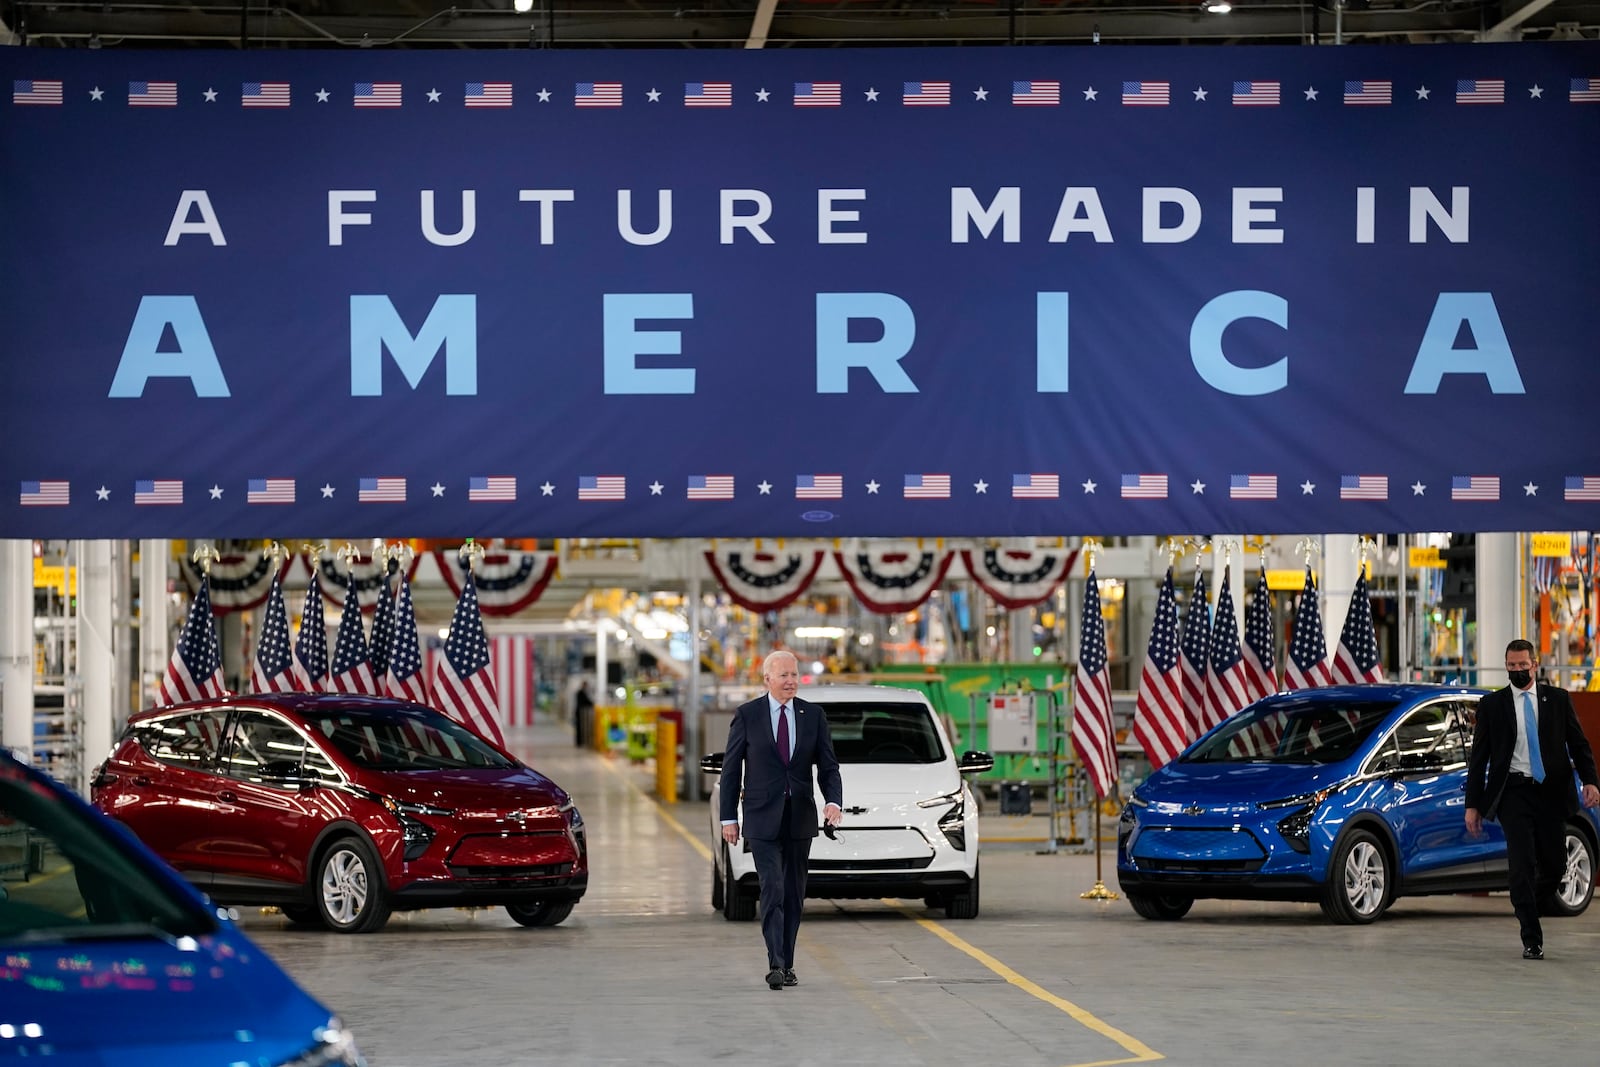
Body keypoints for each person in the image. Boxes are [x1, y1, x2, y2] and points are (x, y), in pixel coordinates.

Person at [1465, 639, 1600, 959]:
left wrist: (1591, 781)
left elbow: (1579, 745)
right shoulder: (1493, 706)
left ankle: (1527, 903)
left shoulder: (1558, 700)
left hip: (1551, 792)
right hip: (1513, 792)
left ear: (1535, 665)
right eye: (1511, 666)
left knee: (1555, 864)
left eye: (1522, 666)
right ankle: (1531, 936)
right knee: (1521, 863)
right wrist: (1473, 805)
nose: (1517, 671)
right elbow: (1479, 759)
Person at [720, 650, 843, 990]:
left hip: (799, 817)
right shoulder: (748, 716)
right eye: (784, 675)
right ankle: (775, 962)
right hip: (761, 818)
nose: (791, 681)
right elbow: (731, 771)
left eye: (795, 675)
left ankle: (787, 963)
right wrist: (728, 818)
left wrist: (833, 801)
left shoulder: (813, 716)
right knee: (771, 887)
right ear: (767, 680)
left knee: (792, 893)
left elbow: (828, 766)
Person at [572, 680, 594, 749]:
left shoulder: (581, 692)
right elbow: (586, 701)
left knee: (579, 728)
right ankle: (579, 742)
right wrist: (592, 704)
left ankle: (580, 742)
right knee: (579, 728)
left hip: (579, 712)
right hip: (580, 713)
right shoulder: (581, 693)